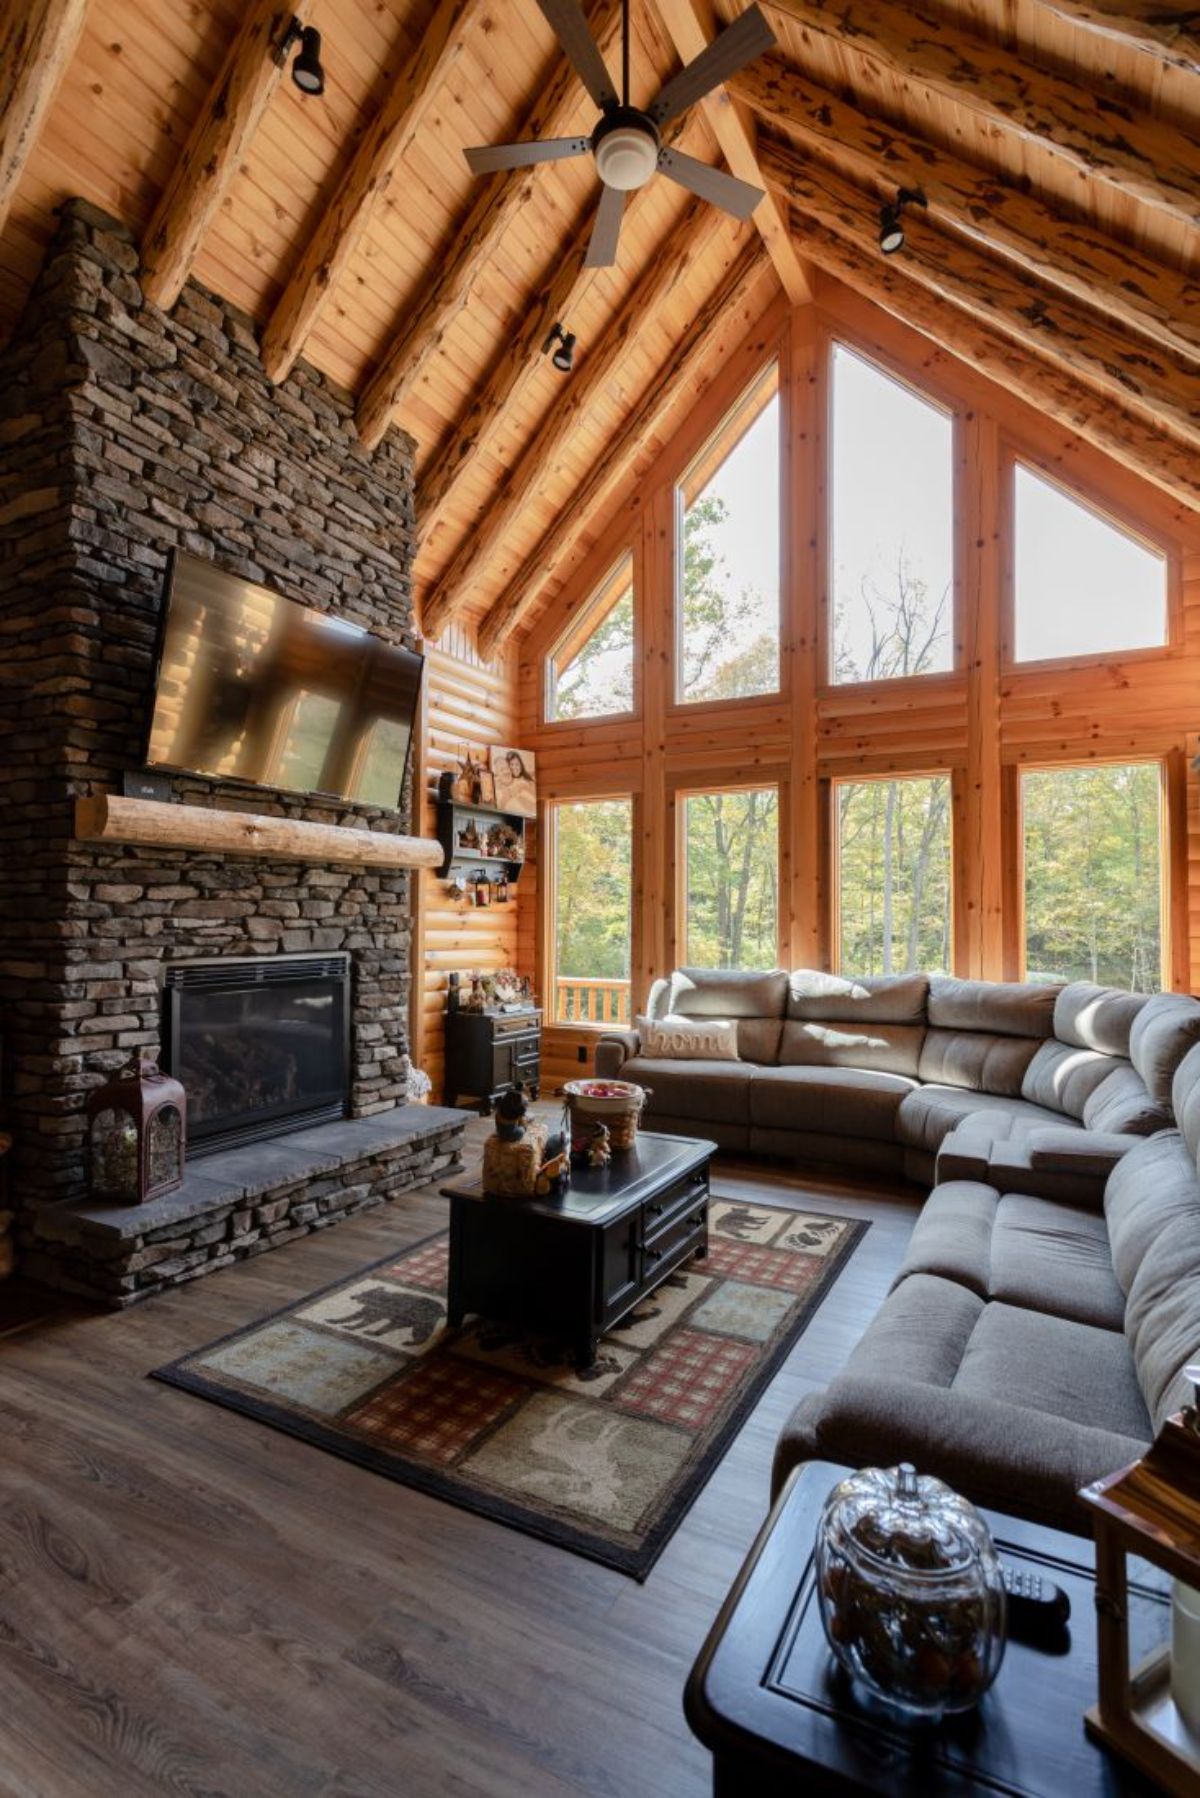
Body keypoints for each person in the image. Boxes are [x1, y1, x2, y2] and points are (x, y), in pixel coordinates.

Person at [494, 748, 536, 816]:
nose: (514, 768)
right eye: (511, 765)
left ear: (521, 765)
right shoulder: (500, 783)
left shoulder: (524, 782)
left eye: (517, 764)